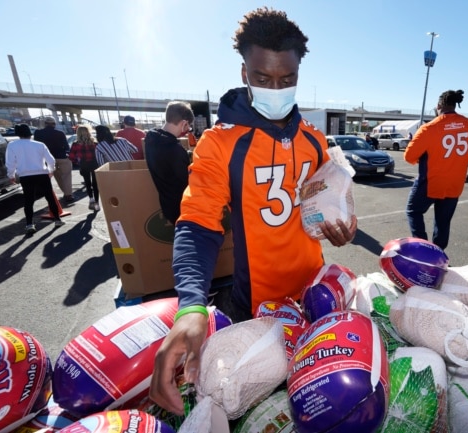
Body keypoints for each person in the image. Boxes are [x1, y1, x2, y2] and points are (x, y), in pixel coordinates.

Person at [150, 7, 357, 415]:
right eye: (263, 79)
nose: (276, 88)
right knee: (259, 409)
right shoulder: (220, 143)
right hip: (256, 308)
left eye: (287, 79)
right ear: (244, 74)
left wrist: (342, 225)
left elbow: (321, 203)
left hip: (315, 296)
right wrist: (190, 306)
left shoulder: (315, 140)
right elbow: (196, 224)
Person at [404, 89, 468, 250]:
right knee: (443, 221)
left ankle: (423, 249)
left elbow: (409, 156)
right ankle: (439, 252)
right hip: (454, 184)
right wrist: (456, 161)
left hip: (430, 183)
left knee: (413, 211)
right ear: (455, 104)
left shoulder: (430, 128)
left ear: (439, 105)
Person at [6, 124, 65, 234]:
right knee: (50, 197)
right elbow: (51, 160)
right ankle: (57, 219)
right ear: (29, 132)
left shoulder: (12, 145)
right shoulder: (39, 144)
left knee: (28, 200)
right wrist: (50, 170)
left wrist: (11, 175)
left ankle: (29, 224)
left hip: (25, 175)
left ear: (17, 133)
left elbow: (10, 162)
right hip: (42, 173)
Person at [144, 101, 194, 225]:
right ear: (184, 123)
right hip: (183, 208)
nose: (187, 130)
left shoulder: (151, 140)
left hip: (167, 204)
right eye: (188, 126)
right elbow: (188, 182)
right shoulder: (175, 150)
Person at [33, 116, 74, 203]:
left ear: (45, 124)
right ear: (54, 124)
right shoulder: (60, 133)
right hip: (62, 157)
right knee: (66, 176)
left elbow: (36, 147)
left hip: (48, 158)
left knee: (58, 177)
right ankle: (68, 194)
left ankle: (65, 193)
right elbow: (66, 146)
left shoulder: (38, 133)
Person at [69, 125, 100, 211]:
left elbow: (71, 157)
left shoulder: (75, 144)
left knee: (87, 183)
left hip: (84, 164)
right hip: (94, 164)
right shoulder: (94, 143)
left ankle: (91, 199)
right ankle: (97, 203)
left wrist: (78, 162)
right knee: (95, 184)